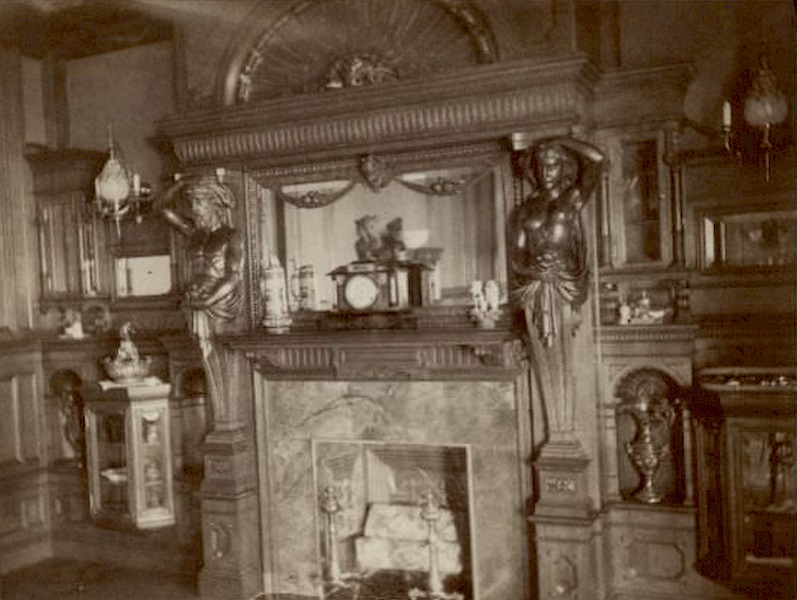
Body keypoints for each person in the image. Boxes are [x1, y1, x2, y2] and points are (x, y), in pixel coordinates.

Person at [510, 136, 604, 345]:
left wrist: (560, 140)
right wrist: (533, 271)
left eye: (552, 166)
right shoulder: (525, 209)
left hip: (567, 278)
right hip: (534, 282)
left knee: (570, 340)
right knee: (539, 344)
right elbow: (517, 253)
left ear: (564, 167)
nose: (546, 173)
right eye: (541, 167)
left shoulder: (574, 197)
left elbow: (597, 159)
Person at [157, 175, 244, 347]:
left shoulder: (231, 236)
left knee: (219, 350)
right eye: (192, 203)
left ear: (214, 204)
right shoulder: (193, 232)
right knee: (201, 350)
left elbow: (234, 276)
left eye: (199, 202)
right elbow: (161, 208)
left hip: (218, 305)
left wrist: (207, 301)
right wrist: (180, 183)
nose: (194, 208)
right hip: (194, 302)